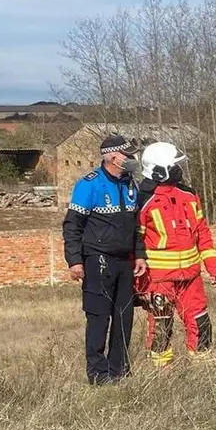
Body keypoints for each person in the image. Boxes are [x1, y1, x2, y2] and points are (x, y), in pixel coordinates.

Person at [61, 134, 147, 385]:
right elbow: (72, 225)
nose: (132, 159)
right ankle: (98, 374)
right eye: (127, 155)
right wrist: (74, 260)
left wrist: (139, 255)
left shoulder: (131, 184)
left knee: (124, 316)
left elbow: (136, 225)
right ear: (112, 157)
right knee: (98, 316)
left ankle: (119, 370)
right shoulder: (89, 184)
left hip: (125, 261)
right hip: (97, 258)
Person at [135, 142, 216, 367]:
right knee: (161, 325)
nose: (178, 170)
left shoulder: (189, 195)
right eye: (173, 166)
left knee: (200, 321)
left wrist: (213, 266)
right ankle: (161, 371)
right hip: (158, 278)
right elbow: (134, 242)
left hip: (191, 277)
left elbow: (202, 231)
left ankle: (202, 368)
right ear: (159, 170)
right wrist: (136, 282)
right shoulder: (143, 200)